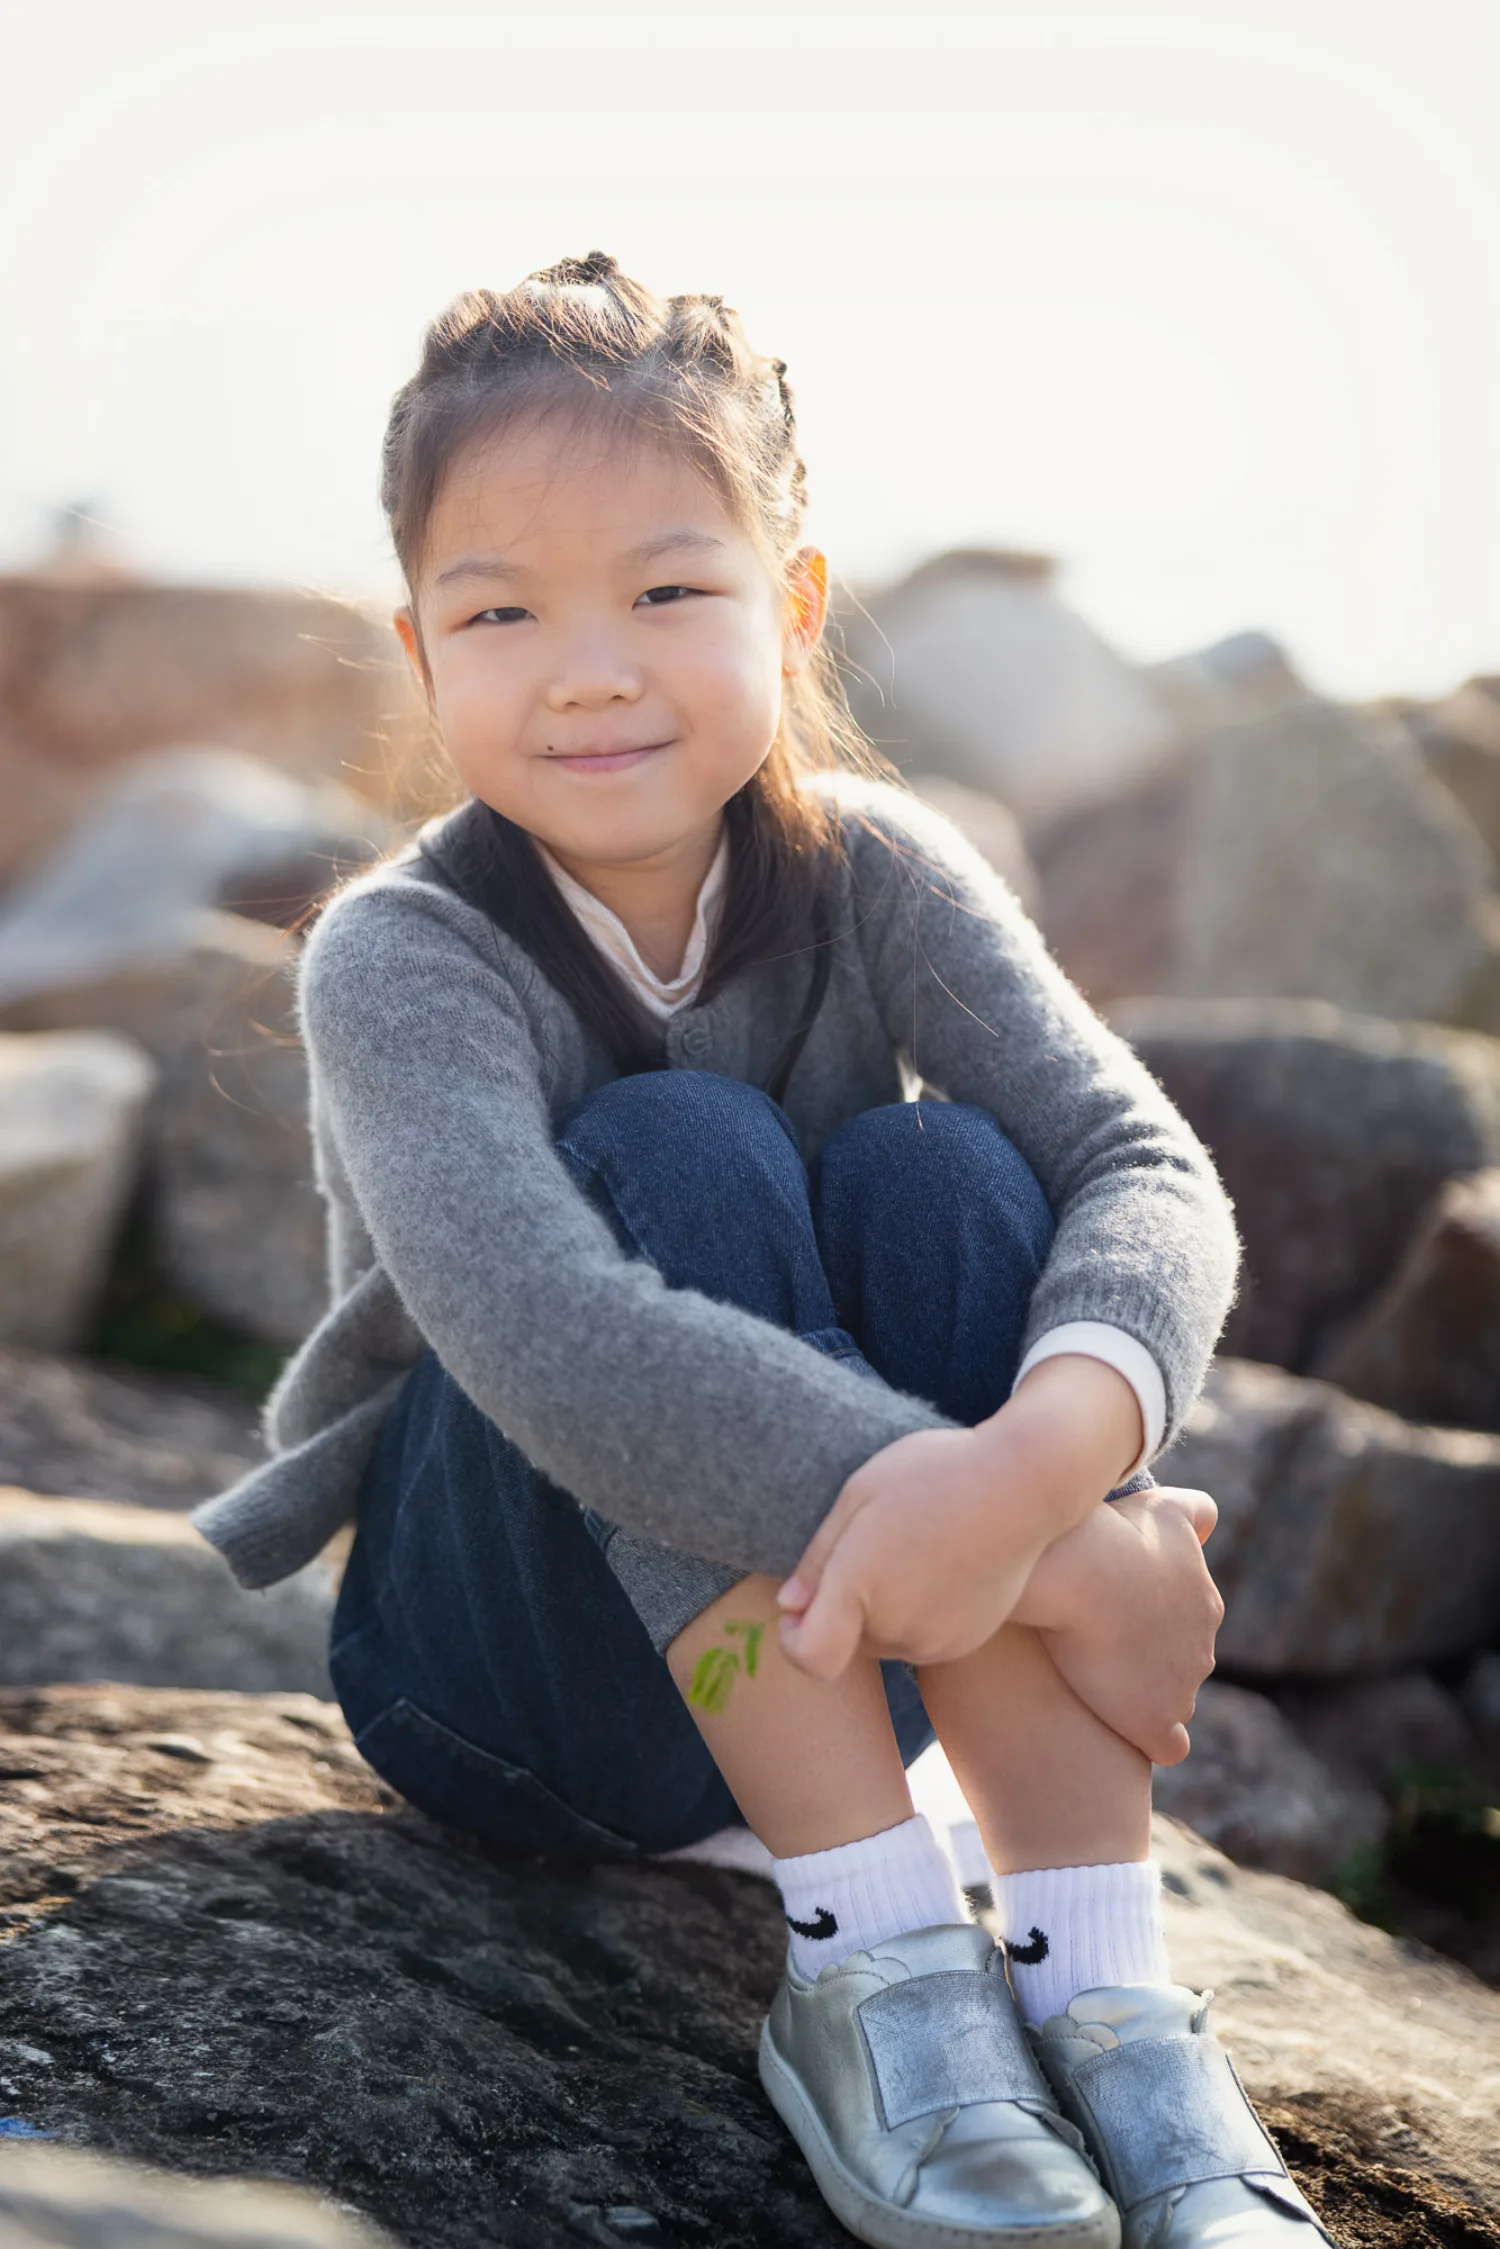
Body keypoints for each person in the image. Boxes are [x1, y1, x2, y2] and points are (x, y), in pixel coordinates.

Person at [194, 254, 1328, 2249]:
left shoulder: (878, 868)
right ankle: (877, 1968)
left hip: (863, 1637)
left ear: (788, 604)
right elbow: (556, 1340)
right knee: (677, 1148)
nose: (591, 666)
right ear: (420, 645)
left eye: (666, 589)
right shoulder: (406, 950)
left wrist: (1044, 1453)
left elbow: (1144, 1164)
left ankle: (1099, 1982)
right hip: (509, 1680)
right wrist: (1062, 1552)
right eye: (502, 609)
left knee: (958, 1174)